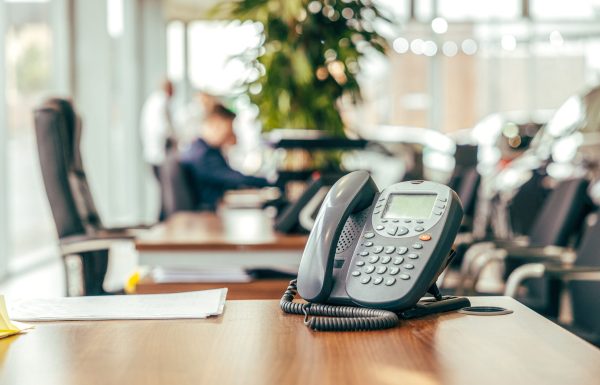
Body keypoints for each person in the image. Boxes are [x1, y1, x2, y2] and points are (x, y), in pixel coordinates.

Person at [180, 104, 270, 211]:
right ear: (216, 123)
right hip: (207, 213)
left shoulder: (198, 148)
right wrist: (270, 181)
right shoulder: (204, 155)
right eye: (230, 126)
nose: (231, 133)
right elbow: (232, 178)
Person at [140, 79, 175, 219]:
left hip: (152, 154)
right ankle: (163, 221)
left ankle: (162, 220)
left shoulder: (153, 101)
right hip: (160, 154)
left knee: (164, 192)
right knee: (167, 191)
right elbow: (164, 129)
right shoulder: (161, 101)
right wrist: (176, 140)